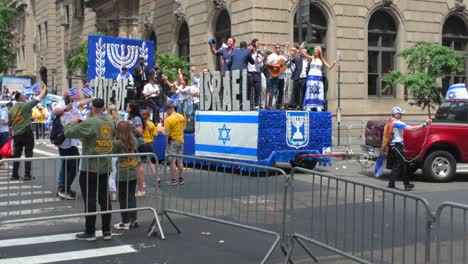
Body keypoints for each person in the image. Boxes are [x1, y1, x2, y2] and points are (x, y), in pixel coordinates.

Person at [64, 98, 115, 241]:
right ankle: (106, 231)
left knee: (90, 199)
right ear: (103, 109)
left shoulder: (89, 122)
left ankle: (90, 231)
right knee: (105, 199)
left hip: (90, 166)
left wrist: (73, 120)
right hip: (105, 166)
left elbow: (68, 132)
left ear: (92, 108)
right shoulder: (111, 123)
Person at [382, 107, 432, 191]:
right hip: (397, 146)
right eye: (400, 113)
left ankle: (399, 184)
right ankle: (400, 184)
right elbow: (411, 128)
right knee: (400, 165)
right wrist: (424, 124)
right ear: (395, 114)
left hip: (393, 146)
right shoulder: (397, 123)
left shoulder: (390, 122)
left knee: (399, 165)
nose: (401, 115)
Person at [9, 82, 47, 181]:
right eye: (23, 96)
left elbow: (10, 125)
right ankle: (27, 174)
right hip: (26, 133)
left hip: (16, 135)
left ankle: (14, 175)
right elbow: (39, 97)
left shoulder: (11, 110)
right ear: (20, 98)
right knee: (28, 153)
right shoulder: (26, 105)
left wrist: (12, 135)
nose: (25, 97)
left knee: (16, 155)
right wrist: (44, 88)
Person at [113, 121, 139, 230]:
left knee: (123, 198)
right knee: (131, 196)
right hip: (133, 171)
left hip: (123, 172)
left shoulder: (118, 143)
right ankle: (134, 220)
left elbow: (112, 152)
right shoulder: (134, 140)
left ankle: (125, 221)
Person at [53, 96, 80, 200]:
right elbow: (56, 111)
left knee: (70, 166)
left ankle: (65, 188)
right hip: (65, 144)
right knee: (72, 166)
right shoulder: (62, 109)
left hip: (71, 143)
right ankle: (64, 189)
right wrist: (66, 109)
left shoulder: (72, 110)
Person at [302, 46, 337, 111]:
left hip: (318, 76)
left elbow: (329, 67)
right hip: (311, 75)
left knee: (318, 91)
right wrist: (301, 49)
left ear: (319, 52)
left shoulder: (322, 59)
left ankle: (318, 106)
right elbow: (305, 55)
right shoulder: (312, 58)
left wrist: (334, 63)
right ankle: (309, 106)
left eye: (316, 50)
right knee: (310, 90)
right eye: (314, 50)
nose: (315, 51)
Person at [163, 104, 186, 186]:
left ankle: (173, 179)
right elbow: (184, 127)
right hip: (181, 140)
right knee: (180, 160)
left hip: (172, 141)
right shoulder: (182, 117)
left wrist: (161, 130)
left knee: (172, 161)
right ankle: (181, 178)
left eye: (166, 111)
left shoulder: (169, 119)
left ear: (169, 109)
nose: (166, 112)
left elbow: (166, 132)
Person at [126, 102, 146, 196]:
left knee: (139, 165)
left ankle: (141, 189)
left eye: (128, 106)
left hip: (138, 143)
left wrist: (132, 125)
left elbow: (140, 132)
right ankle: (140, 186)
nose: (126, 107)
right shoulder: (131, 118)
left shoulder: (136, 119)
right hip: (133, 143)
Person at [266, 43, 289, 108]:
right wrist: (274, 66)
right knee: (273, 91)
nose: (278, 49)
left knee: (281, 91)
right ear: (274, 48)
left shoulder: (281, 57)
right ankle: (270, 105)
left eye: (279, 47)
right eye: (276, 47)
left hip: (282, 76)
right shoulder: (271, 56)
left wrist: (286, 48)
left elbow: (286, 61)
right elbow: (267, 63)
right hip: (275, 76)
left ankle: (279, 105)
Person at [140, 109, 159, 185]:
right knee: (150, 162)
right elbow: (155, 134)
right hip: (150, 143)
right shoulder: (151, 124)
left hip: (142, 143)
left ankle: (142, 181)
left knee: (141, 163)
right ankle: (156, 177)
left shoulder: (140, 124)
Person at [107, 104, 121, 201]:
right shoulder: (120, 120)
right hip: (117, 148)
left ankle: (113, 192)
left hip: (108, 147)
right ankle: (113, 192)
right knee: (114, 171)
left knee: (110, 172)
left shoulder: (107, 121)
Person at [0, 102, 12, 169]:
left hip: (2, 131)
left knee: (2, 147)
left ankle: (2, 162)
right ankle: (3, 162)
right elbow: (2, 121)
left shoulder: (2, 111)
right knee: (4, 148)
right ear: (9, 106)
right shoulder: (5, 111)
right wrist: (10, 122)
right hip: (3, 132)